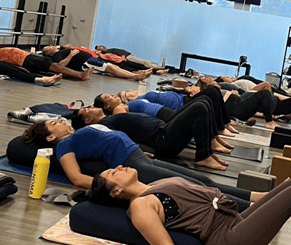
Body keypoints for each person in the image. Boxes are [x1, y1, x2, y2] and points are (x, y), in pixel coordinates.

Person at [22, 119, 267, 212]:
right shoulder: (64, 146)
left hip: (136, 157)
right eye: (54, 123)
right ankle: (251, 209)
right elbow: (76, 178)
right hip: (129, 164)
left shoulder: (78, 131)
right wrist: (115, 184)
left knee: (204, 181)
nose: (60, 119)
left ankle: (259, 197)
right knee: (200, 189)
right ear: (51, 137)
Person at [74, 167, 291, 245]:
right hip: (226, 238)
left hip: (234, 219)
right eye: (113, 173)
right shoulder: (140, 207)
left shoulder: (154, 185)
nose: (119, 167)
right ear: (116, 191)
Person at [73, 100, 233, 165]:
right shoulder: (104, 124)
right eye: (87, 110)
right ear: (87, 120)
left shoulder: (108, 119)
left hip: (164, 132)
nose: (91, 107)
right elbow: (116, 140)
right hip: (163, 140)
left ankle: (207, 150)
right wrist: (139, 151)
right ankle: (203, 156)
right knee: (199, 108)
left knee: (203, 102)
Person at [195, 76, 291, 129]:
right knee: (265, 92)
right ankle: (269, 122)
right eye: (205, 79)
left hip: (242, 102)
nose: (208, 77)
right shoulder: (213, 91)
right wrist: (232, 119)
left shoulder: (219, 87)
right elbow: (220, 109)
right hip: (239, 106)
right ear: (205, 84)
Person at [117, 86, 238, 135]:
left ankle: (225, 123)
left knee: (214, 90)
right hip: (183, 106)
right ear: (126, 99)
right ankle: (221, 127)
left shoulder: (144, 98)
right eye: (127, 93)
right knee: (212, 91)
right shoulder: (137, 103)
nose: (130, 91)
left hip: (184, 99)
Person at [215, 75, 291, 113]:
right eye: (226, 78)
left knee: (278, 93)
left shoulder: (235, 82)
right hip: (253, 93)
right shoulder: (231, 85)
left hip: (254, 91)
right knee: (279, 97)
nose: (230, 78)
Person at [42, 46, 152, 81]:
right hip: (86, 63)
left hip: (90, 59)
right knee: (110, 68)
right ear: (49, 52)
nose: (52, 46)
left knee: (112, 66)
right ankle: (136, 76)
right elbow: (60, 66)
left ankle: (136, 74)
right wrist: (71, 54)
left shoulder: (60, 50)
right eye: (49, 47)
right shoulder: (56, 56)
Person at [0, 47, 94, 80]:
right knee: (54, 67)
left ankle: (78, 75)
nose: (51, 46)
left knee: (53, 68)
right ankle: (80, 75)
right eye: (49, 47)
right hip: (25, 59)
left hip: (26, 57)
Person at [95, 45, 166, 71]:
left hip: (128, 55)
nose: (102, 47)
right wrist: (123, 57)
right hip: (127, 58)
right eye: (99, 48)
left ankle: (158, 68)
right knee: (143, 63)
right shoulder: (106, 54)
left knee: (143, 63)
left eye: (101, 46)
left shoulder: (109, 50)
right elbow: (115, 58)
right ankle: (158, 68)